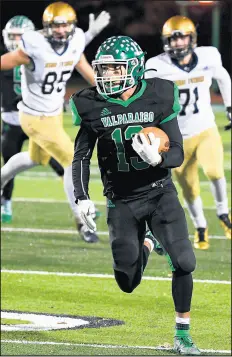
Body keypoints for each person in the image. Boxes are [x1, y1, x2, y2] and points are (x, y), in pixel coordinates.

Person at [71, 35, 200, 355]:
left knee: (184, 262)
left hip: (159, 193)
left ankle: (182, 335)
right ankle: (147, 241)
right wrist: (81, 197)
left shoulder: (159, 94)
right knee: (127, 282)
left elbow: (178, 152)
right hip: (122, 202)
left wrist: (160, 159)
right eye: (103, 70)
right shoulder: (90, 103)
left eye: (114, 70)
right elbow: (81, 157)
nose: (106, 76)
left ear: (134, 69)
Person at [1, 2, 110, 243]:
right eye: (56, 26)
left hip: (53, 115)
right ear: (47, 27)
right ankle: (82, 221)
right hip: (33, 117)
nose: (61, 31)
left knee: (34, 158)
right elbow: (6, 61)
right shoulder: (34, 46)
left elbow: (81, 63)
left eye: (66, 25)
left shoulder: (75, 41)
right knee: (72, 161)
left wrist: (105, 91)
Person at [145, 15, 231, 249]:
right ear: (166, 42)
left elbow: (223, 77)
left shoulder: (208, 56)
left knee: (214, 170)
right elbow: (146, 98)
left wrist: (230, 107)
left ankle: (224, 213)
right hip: (176, 138)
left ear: (191, 38)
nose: (178, 43)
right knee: (189, 187)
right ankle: (201, 226)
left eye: (182, 37)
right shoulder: (156, 66)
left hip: (205, 128)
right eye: (173, 39)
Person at [1, 15, 65, 223]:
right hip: (11, 120)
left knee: (56, 158)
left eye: (21, 36)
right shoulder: (6, 59)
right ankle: (6, 204)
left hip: (34, 118)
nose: (16, 40)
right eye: (13, 36)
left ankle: (77, 199)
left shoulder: (39, 56)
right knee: (10, 163)